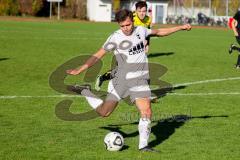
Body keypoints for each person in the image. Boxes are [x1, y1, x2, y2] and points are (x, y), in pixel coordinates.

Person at [66, 9, 191, 152]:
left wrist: (180, 27)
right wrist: (81, 69)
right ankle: (85, 91)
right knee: (104, 113)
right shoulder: (115, 38)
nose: (126, 28)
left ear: (132, 20)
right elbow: (98, 54)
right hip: (121, 80)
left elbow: (159, 32)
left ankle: (143, 146)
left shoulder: (141, 30)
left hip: (140, 79)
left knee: (147, 111)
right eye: (122, 26)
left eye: (128, 24)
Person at [95, 1, 152, 91]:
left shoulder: (148, 19)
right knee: (120, 71)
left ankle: (146, 92)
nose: (142, 13)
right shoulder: (131, 18)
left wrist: (147, 44)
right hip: (125, 49)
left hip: (137, 49)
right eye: (140, 11)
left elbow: (147, 33)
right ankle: (102, 78)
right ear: (135, 11)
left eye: (144, 11)